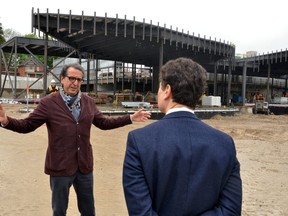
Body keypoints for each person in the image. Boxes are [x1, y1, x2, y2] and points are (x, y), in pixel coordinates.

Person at [0, 63, 151, 216]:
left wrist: (130, 118)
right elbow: (27, 125)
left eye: (79, 80)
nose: (76, 83)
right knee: (59, 211)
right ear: (62, 79)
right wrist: (6, 121)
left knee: (88, 211)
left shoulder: (88, 102)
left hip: (84, 167)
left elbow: (104, 123)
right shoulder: (48, 103)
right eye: (72, 78)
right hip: (60, 167)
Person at [122, 57, 242, 215]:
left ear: (167, 90)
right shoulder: (225, 143)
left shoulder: (139, 140)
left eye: (159, 88)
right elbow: (230, 210)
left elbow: (140, 212)